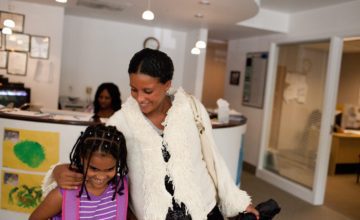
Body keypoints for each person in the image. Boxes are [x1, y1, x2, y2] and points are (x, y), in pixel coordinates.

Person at [47, 48, 259, 219]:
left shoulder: (191, 108)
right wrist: (58, 171)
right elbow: (91, 156)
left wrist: (238, 202)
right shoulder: (121, 121)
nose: (139, 98)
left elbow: (213, 159)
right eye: (133, 89)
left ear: (167, 85)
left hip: (203, 210)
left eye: (147, 91)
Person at [30, 124, 128, 220]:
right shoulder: (62, 194)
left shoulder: (122, 187)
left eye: (110, 169)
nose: (101, 176)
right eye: (94, 169)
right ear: (82, 159)